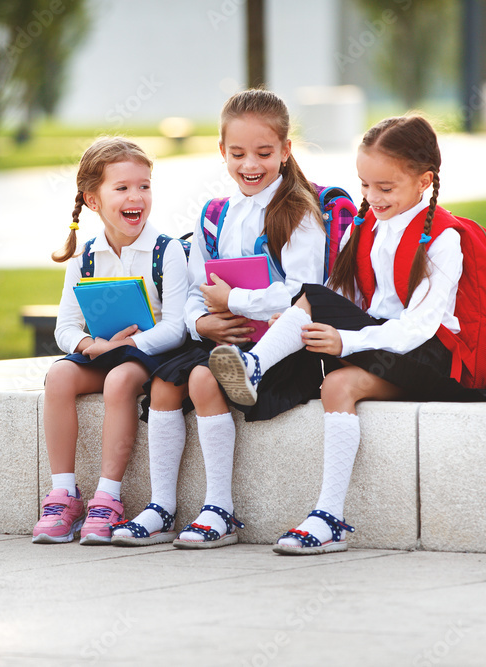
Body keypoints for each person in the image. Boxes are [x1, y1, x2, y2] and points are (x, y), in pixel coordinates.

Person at [208, 114, 486, 555]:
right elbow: (342, 300)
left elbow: (419, 327)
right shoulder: (362, 227)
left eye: (385, 188)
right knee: (336, 376)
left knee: (320, 321)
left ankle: (258, 373)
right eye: (365, 185)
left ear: (424, 180)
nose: (371, 197)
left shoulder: (444, 239)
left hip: (438, 358)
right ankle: (328, 513)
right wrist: (298, 327)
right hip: (386, 346)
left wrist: (345, 342)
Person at [111, 89, 326, 549]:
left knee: (205, 381)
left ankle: (219, 508)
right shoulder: (214, 215)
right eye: (238, 153)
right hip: (218, 338)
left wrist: (237, 299)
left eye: (264, 153)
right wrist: (198, 324)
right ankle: (162, 507)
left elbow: (303, 291)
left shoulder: (298, 213)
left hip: (277, 350)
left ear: (286, 151)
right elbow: (192, 288)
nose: (251, 164)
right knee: (165, 383)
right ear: (222, 152)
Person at [33, 137, 189, 546]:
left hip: (147, 355)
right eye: (122, 188)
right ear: (93, 200)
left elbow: (177, 326)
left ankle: (108, 498)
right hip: (102, 352)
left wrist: (125, 349)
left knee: (120, 380)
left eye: (144, 186)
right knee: (60, 377)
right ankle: (63, 494)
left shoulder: (166, 251)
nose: (136, 196)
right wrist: (91, 347)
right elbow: (65, 327)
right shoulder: (85, 257)